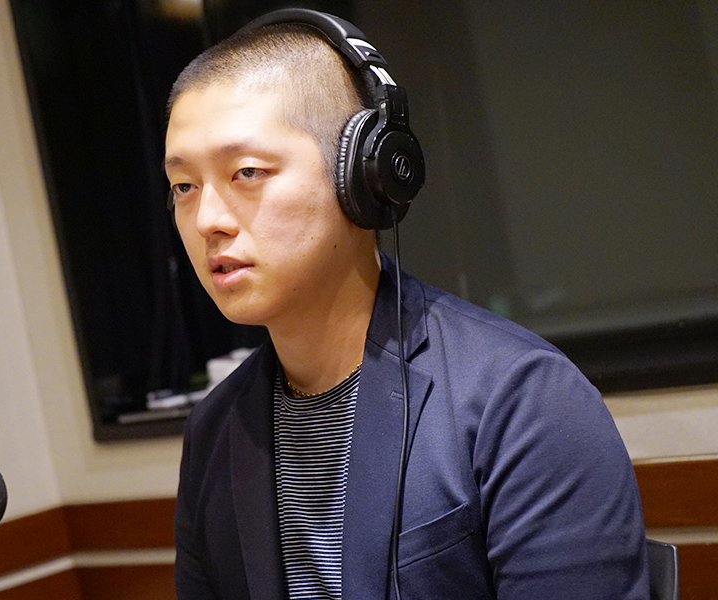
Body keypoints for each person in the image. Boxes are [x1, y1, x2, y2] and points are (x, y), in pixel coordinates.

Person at [164, 9, 649, 600]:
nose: (208, 220)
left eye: (247, 172)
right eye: (184, 186)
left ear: (362, 177)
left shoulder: (522, 400)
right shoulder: (215, 430)